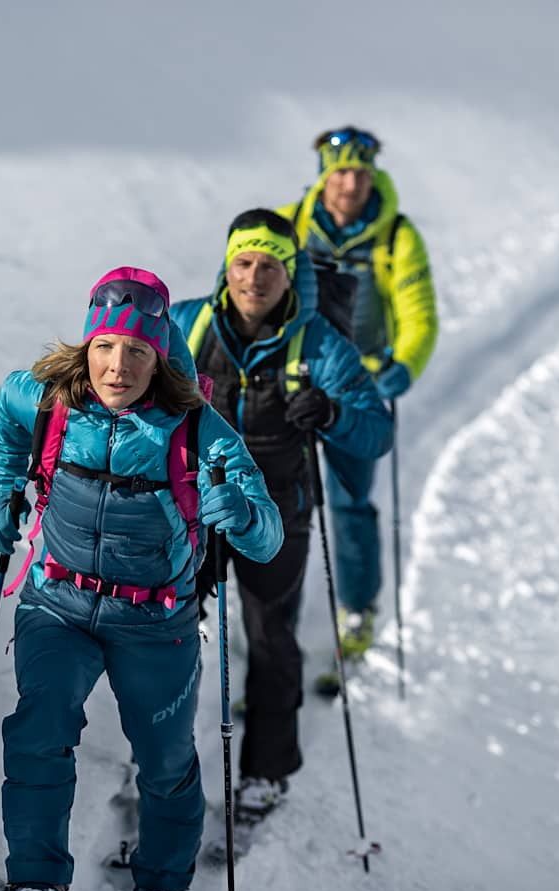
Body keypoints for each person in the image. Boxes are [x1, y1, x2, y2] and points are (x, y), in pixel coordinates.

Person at [0, 266, 284, 891]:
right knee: (39, 733)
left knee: (167, 762)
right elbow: (7, 425)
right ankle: (35, 880)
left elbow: (267, 535)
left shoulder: (199, 430)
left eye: (137, 351)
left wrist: (244, 517)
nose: (118, 366)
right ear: (87, 347)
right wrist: (0, 492)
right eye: (105, 348)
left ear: (159, 356)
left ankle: (165, 885)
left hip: (154, 623)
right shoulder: (42, 398)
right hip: (56, 605)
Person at [170, 210, 393, 833]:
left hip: (278, 510)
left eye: (271, 264)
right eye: (244, 261)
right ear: (227, 264)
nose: (254, 276)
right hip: (195, 504)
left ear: (290, 273)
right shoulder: (187, 325)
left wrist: (329, 412)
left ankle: (266, 771)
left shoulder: (318, 342)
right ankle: (160, 761)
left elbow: (376, 432)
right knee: (170, 627)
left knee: (271, 636)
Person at [277, 125, 438, 659]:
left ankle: (358, 607)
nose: (350, 183)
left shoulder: (397, 235)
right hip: (295, 378)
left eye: (359, 172)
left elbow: (419, 313)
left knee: (348, 501)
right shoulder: (290, 223)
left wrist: (404, 364)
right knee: (287, 500)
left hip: (360, 387)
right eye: (340, 171)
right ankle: (276, 619)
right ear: (324, 174)